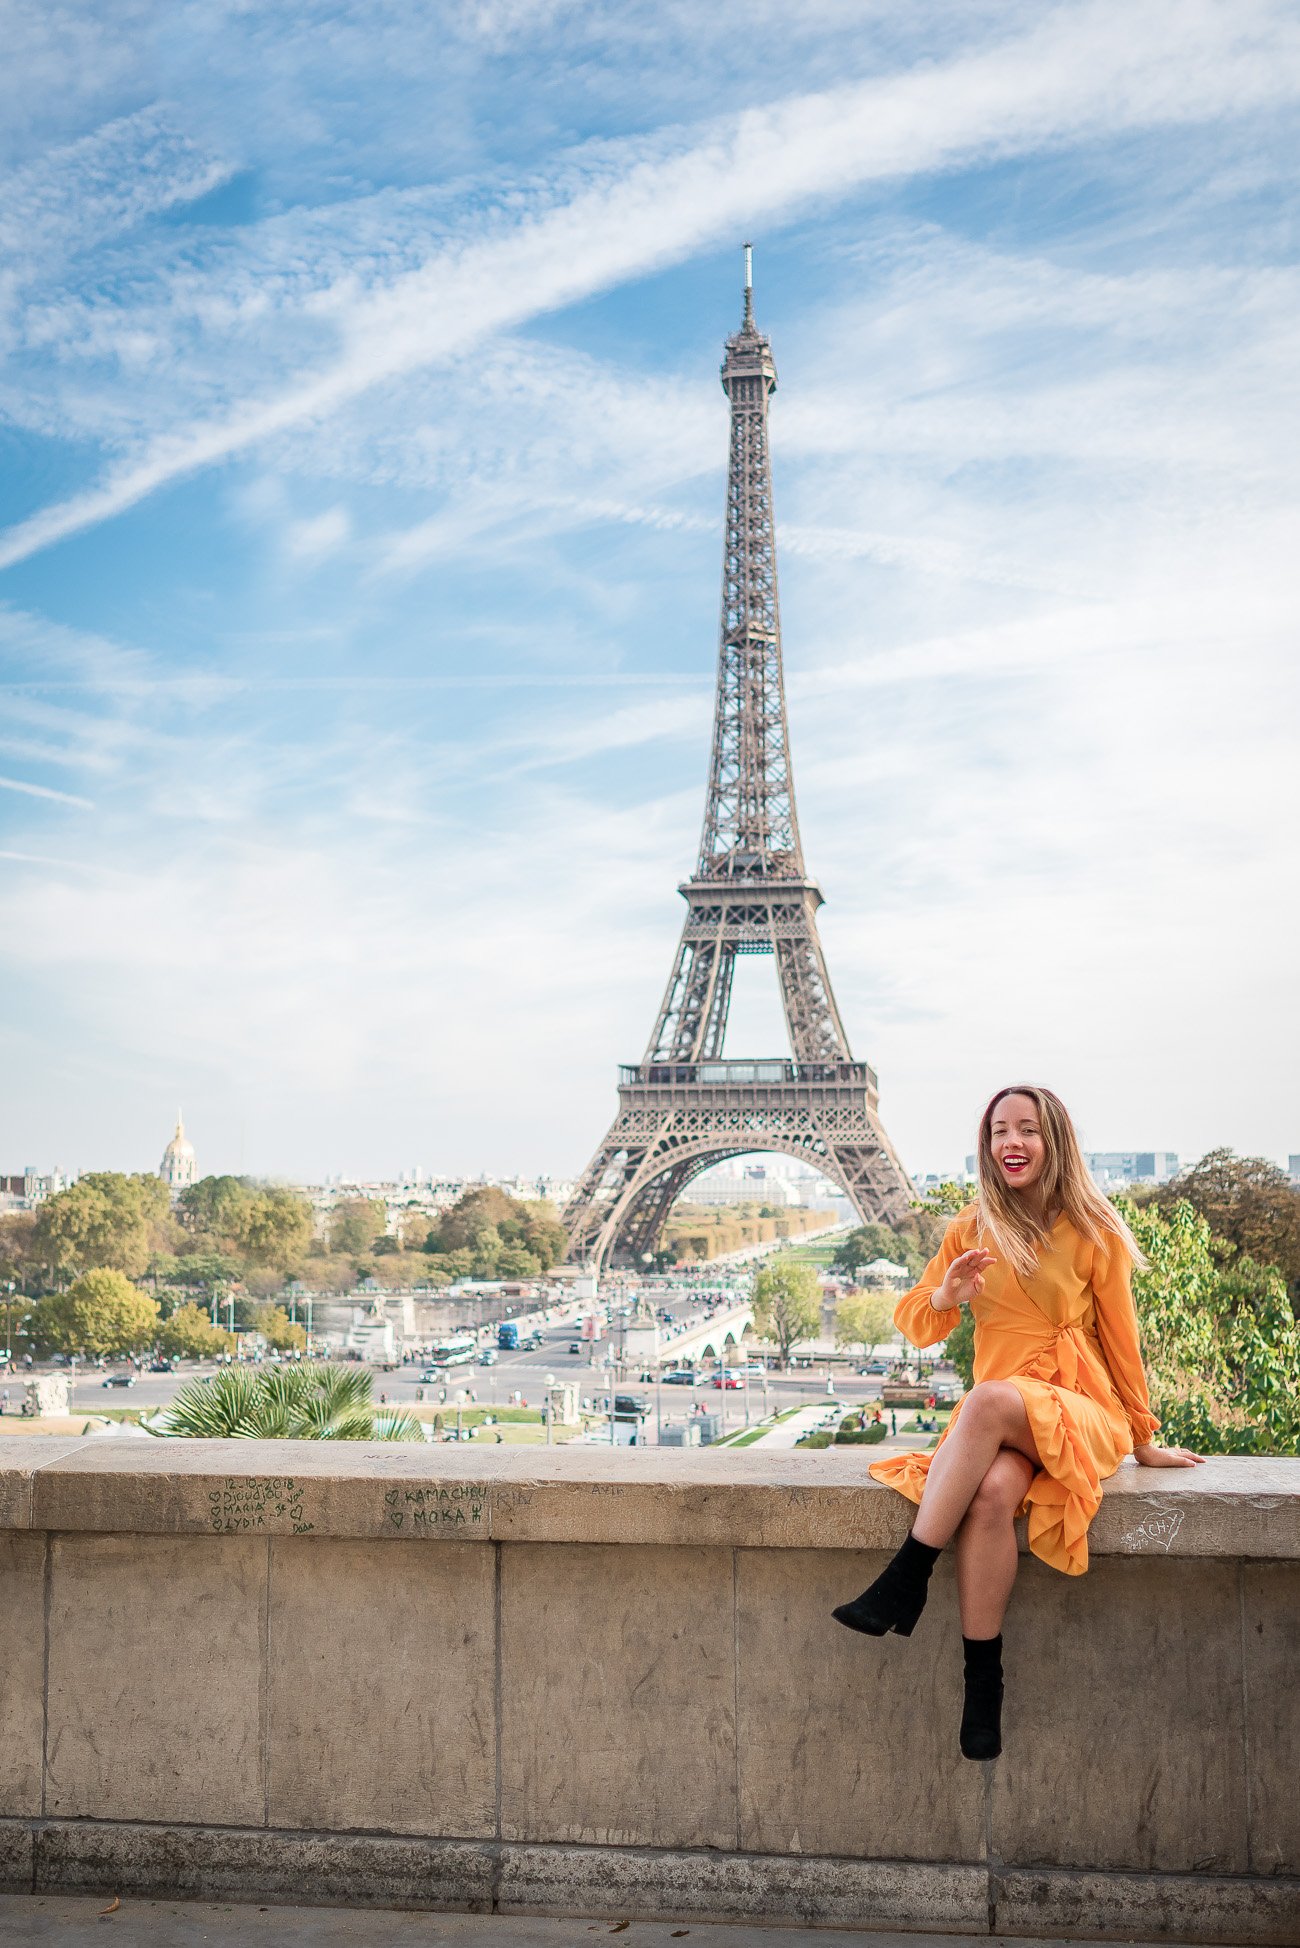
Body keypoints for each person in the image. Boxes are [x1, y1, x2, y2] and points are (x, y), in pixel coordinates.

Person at [832, 1084, 1201, 1762]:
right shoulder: (970, 1230)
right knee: (993, 1495)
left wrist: (1143, 1438)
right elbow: (916, 1320)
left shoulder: (1095, 1230)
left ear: (1052, 1139)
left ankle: (907, 1576)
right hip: (1007, 1425)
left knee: (986, 1399)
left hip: (1080, 1408)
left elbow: (1123, 1340)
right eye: (999, 1130)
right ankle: (983, 1683)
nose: (1011, 1142)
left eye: (1026, 1129)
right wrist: (946, 1294)